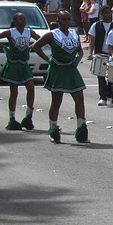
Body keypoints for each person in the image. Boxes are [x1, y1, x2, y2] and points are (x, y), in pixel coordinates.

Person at [32, 11, 89, 144]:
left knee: (79, 98)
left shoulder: (74, 34)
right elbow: (36, 46)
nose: (66, 22)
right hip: (58, 69)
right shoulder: (52, 35)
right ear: (57, 21)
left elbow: (80, 50)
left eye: (68, 19)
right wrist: (49, 59)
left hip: (71, 69)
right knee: (57, 101)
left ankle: (81, 130)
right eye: (63, 19)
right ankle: (53, 129)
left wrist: (78, 59)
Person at [0, 13, 41, 131]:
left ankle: (28, 116)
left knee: (31, 88)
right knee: (14, 92)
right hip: (13, 64)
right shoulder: (10, 32)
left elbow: (40, 39)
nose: (23, 20)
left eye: (24, 18)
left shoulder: (29, 32)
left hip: (23, 64)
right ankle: (12, 118)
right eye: (20, 19)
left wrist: (33, 45)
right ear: (15, 21)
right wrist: (3, 47)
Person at [87, 6, 113, 106]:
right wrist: (90, 52)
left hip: (111, 54)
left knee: (111, 76)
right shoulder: (96, 25)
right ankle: (102, 97)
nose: (108, 15)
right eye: (106, 13)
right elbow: (92, 40)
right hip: (100, 52)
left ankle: (110, 95)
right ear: (101, 14)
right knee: (101, 76)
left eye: (109, 13)